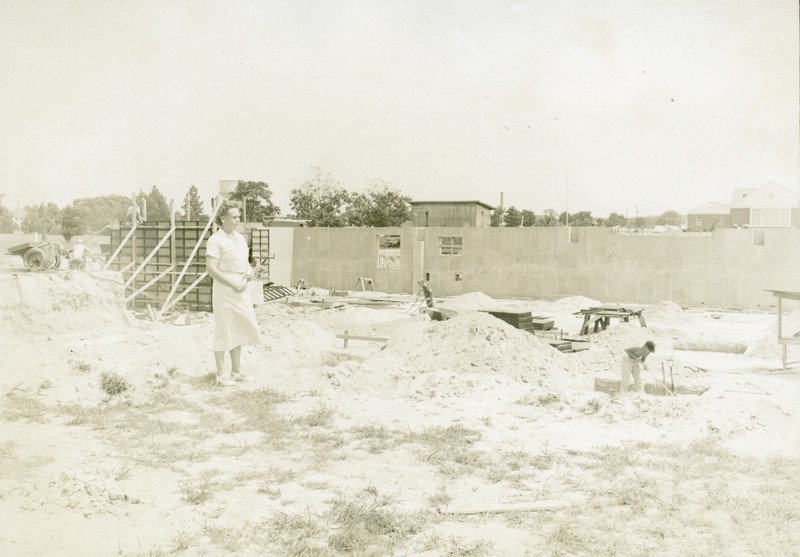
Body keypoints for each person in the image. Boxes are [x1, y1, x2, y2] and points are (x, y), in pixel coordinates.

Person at [205, 202, 262, 386]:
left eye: (239, 217)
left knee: (239, 326)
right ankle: (221, 375)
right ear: (223, 218)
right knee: (224, 329)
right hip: (224, 289)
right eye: (234, 217)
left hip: (241, 288)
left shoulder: (240, 239)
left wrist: (249, 271)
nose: (238, 220)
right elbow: (211, 270)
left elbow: (243, 262)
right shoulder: (215, 240)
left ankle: (237, 371)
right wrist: (232, 283)